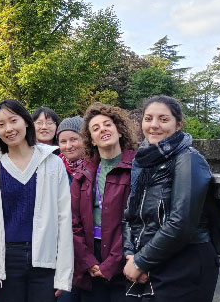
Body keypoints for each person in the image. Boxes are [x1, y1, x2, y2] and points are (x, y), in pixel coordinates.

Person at [0, 99, 73, 302]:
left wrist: (63, 273)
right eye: (1, 125)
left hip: (45, 258)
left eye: (13, 120)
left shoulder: (52, 164)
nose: (9, 129)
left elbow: (64, 219)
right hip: (4, 261)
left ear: (26, 121)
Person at [122, 96, 218, 300]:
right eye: (148, 118)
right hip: (152, 261)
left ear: (178, 124)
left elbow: (181, 223)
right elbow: (131, 215)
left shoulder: (189, 160)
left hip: (185, 263)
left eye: (163, 119)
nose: (154, 125)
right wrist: (132, 254)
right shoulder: (144, 161)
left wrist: (141, 261)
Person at [71, 103, 138, 301]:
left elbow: (138, 220)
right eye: (96, 128)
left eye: (107, 124)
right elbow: (72, 222)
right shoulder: (83, 174)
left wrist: (112, 262)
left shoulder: (136, 168)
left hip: (125, 256)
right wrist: (88, 260)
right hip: (91, 257)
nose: (103, 130)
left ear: (119, 130)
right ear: (91, 140)